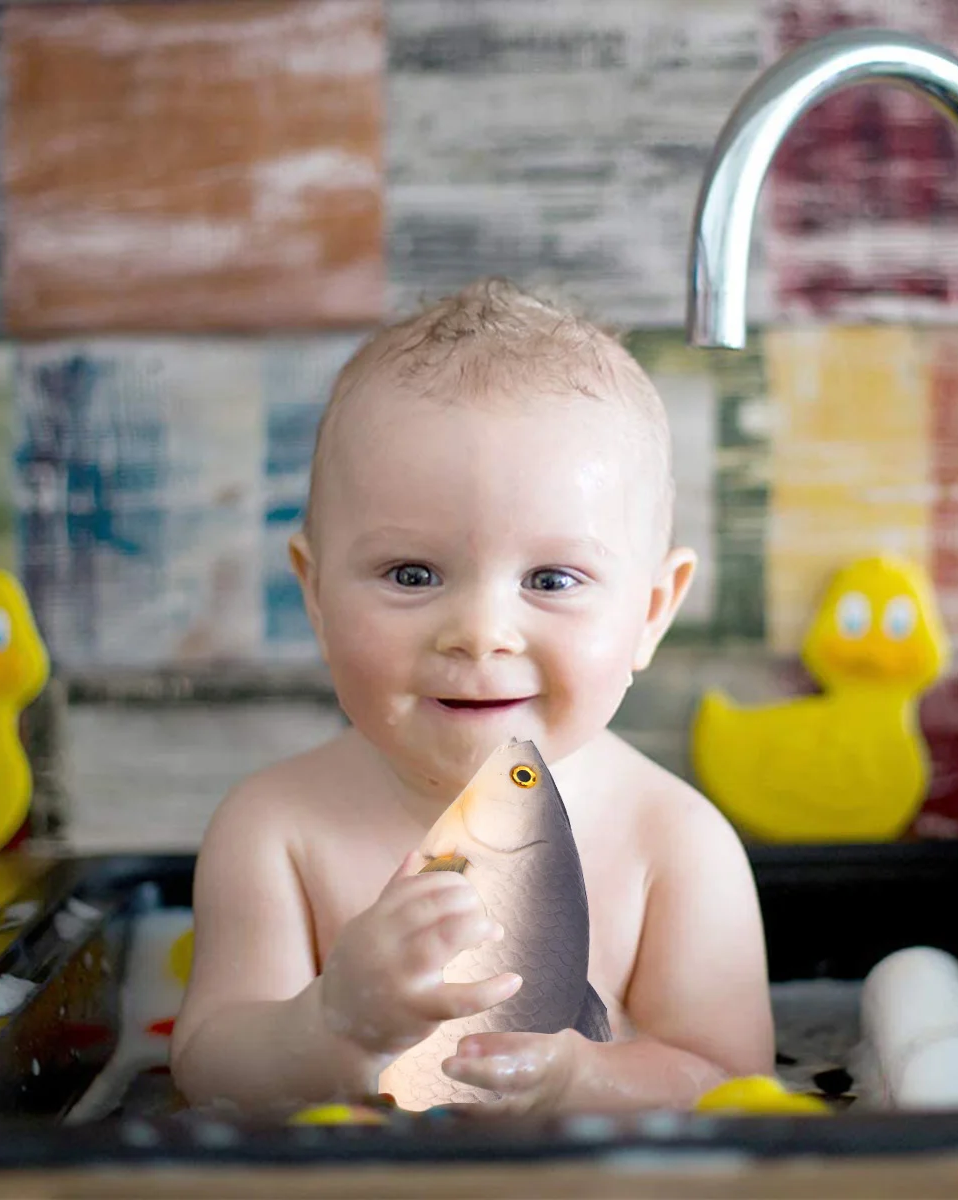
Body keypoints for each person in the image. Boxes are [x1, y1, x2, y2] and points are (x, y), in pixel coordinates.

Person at [170, 278, 774, 1117]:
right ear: (315, 595)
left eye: (552, 578)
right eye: (412, 574)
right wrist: (335, 1024)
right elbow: (210, 1074)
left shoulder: (673, 844)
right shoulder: (276, 830)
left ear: (649, 612)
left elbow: (730, 1084)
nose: (481, 632)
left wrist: (577, 1080)